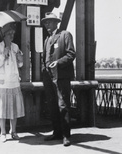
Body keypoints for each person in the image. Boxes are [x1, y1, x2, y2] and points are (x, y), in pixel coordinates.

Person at [41, 12, 76, 147]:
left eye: (49, 22)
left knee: (63, 105)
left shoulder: (65, 35)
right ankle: (57, 132)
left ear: (56, 22)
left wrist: (58, 62)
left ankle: (66, 135)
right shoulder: (47, 39)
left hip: (61, 76)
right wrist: (44, 68)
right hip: (49, 77)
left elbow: (71, 53)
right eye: (45, 23)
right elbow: (44, 58)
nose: (46, 25)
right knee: (52, 105)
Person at [0, 23, 25, 143]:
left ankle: (13, 131)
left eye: (13, 33)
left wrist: (20, 60)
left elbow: (20, 65)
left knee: (14, 109)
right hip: (2, 83)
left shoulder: (16, 47)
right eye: (9, 34)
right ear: (4, 35)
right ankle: (2, 132)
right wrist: (3, 54)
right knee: (2, 109)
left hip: (14, 81)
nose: (11, 36)